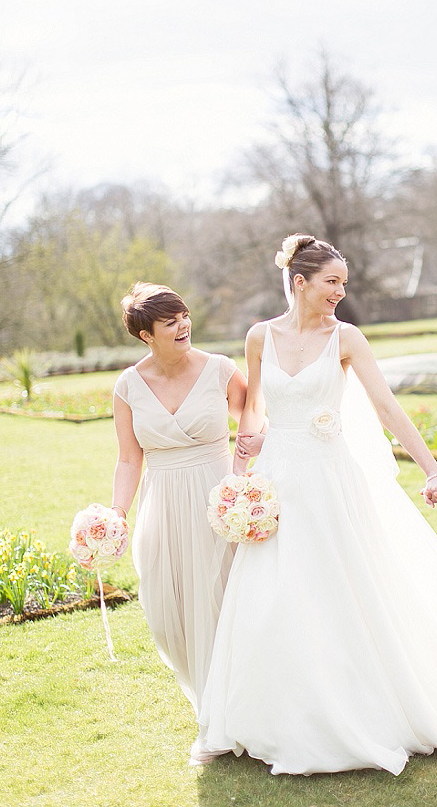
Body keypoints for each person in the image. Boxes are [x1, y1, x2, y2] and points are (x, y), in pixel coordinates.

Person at [194, 234, 437, 774]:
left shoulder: (347, 338)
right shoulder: (260, 337)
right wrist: (241, 477)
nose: (340, 292)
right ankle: (275, 712)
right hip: (278, 480)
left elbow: (387, 408)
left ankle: (360, 704)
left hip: (330, 479)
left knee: (342, 585)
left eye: (344, 283)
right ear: (299, 281)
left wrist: (432, 469)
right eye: (332, 281)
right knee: (276, 591)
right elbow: (255, 410)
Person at [110, 282, 264, 719]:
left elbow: (254, 416)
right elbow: (127, 459)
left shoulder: (218, 369)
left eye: (184, 317)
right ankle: (207, 703)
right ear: (146, 335)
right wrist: (118, 513)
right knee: (169, 615)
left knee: (228, 602)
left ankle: (235, 711)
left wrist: (254, 455)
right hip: (162, 505)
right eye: (170, 322)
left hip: (219, 501)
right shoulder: (128, 385)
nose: (183, 326)